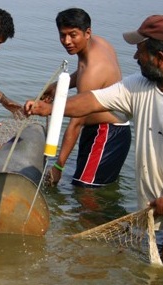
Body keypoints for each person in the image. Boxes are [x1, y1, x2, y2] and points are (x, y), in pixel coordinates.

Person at [25, 15, 163, 263]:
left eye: (140, 52)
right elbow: (91, 100)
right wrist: (49, 108)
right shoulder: (138, 85)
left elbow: (79, 120)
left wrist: (58, 165)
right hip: (156, 213)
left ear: (161, 60)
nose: (134, 58)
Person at [42, 8, 131, 188]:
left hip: (106, 134)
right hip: (106, 132)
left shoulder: (93, 71)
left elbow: (75, 123)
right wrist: (57, 86)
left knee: (85, 191)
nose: (67, 41)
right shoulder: (99, 44)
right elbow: (82, 72)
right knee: (87, 186)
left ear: (87, 32)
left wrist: (58, 166)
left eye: (72, 35)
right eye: (63, 35)